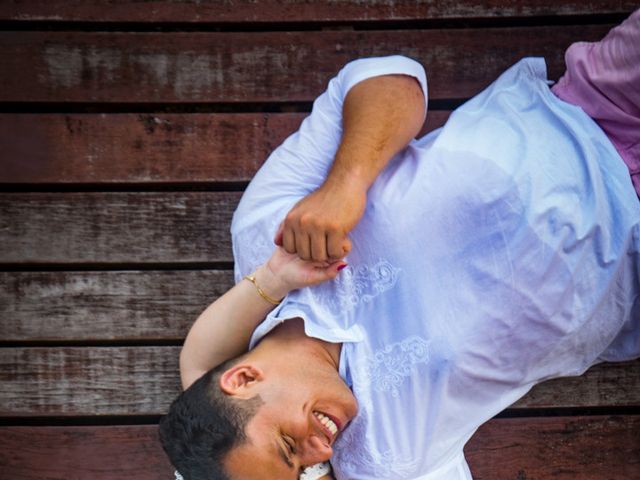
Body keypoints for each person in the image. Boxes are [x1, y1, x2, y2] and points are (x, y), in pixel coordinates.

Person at [159, 10, 640, 480]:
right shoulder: (387, 462)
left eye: (289, 445)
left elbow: (389, 75)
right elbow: (209, 383)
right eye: (303, 469)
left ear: (243, 380)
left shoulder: (269, 235)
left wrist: (346, 184)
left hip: (595, 107)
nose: (319, 450)